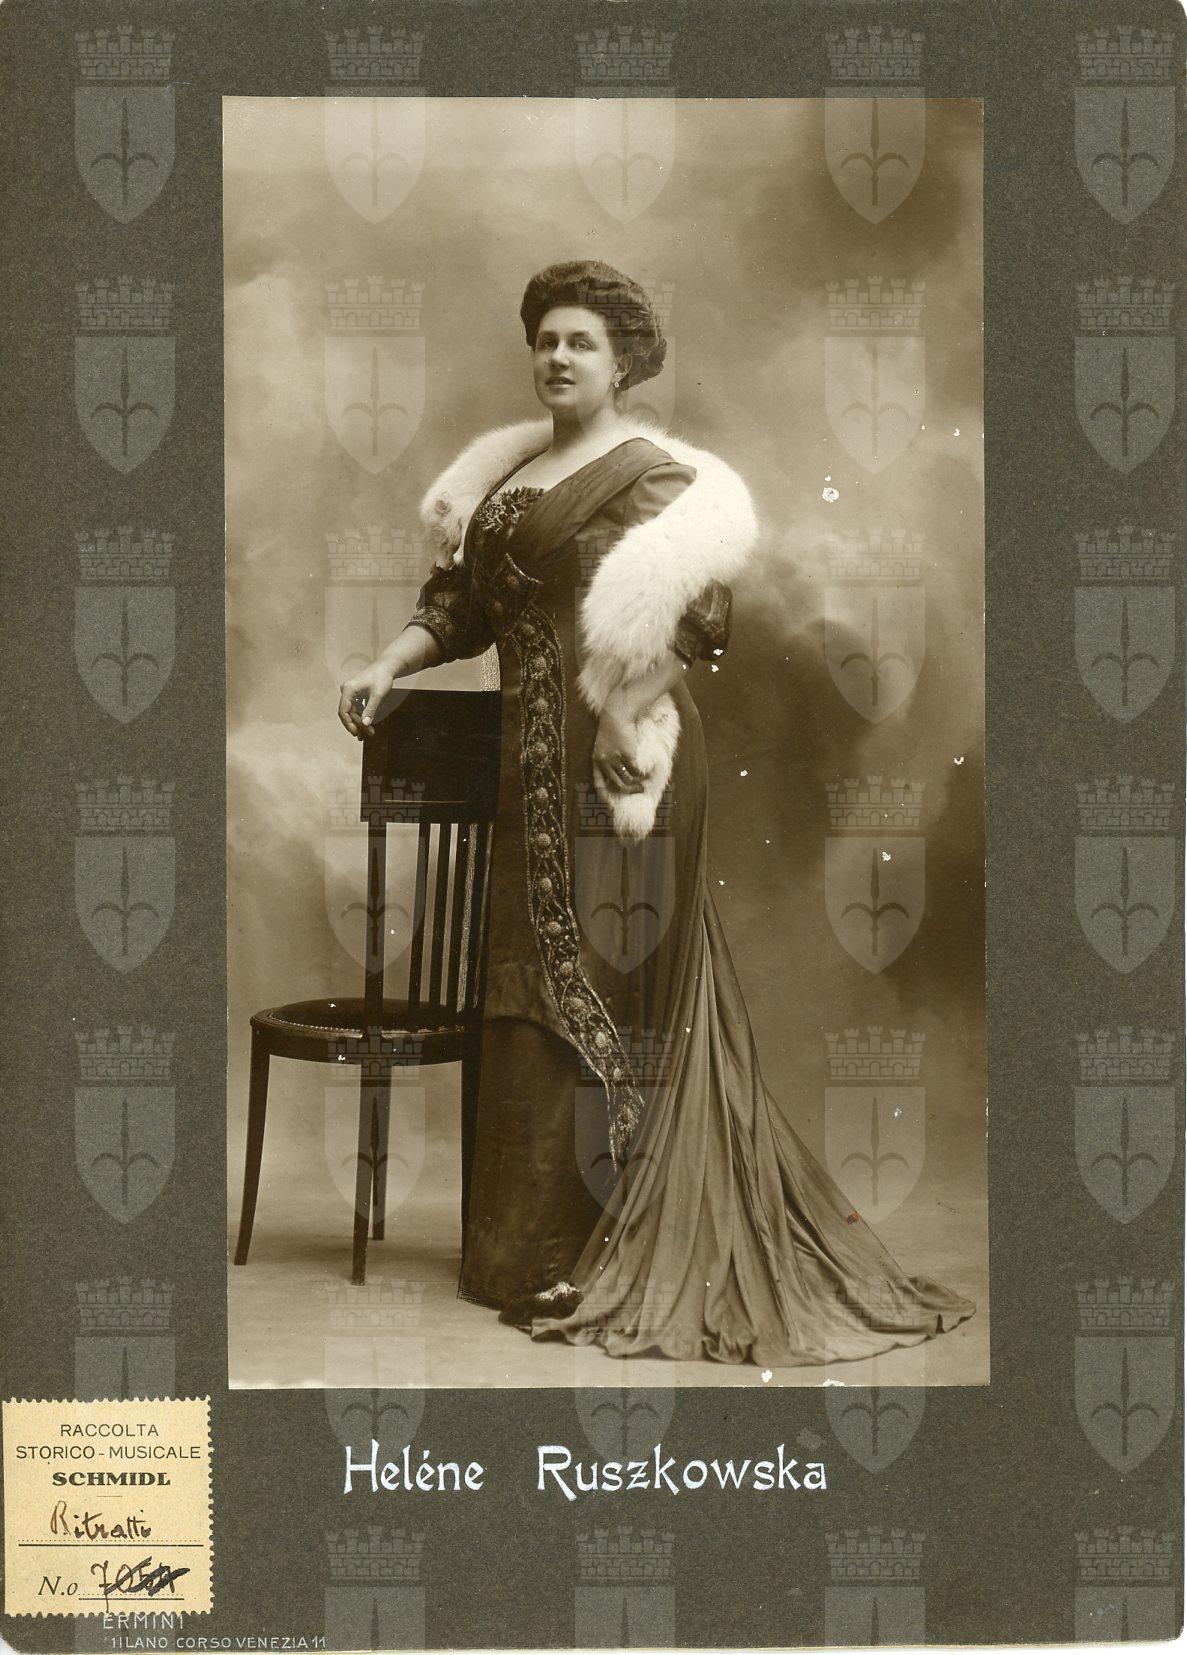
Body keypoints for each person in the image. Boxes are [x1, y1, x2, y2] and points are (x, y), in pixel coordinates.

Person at [337, 259, 976, 1367]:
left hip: (621, 769)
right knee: (529, 981)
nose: (557, 356)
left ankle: (607, 1239)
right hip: (526, 769)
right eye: (545, 339)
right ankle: (523, 1251)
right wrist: (388, 662)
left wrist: (627, 710)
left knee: (608, 981)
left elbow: (699, 614)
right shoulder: (511, 477)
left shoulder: (651, 476)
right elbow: (462, 605)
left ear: (622, 362)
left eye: (580, 342)